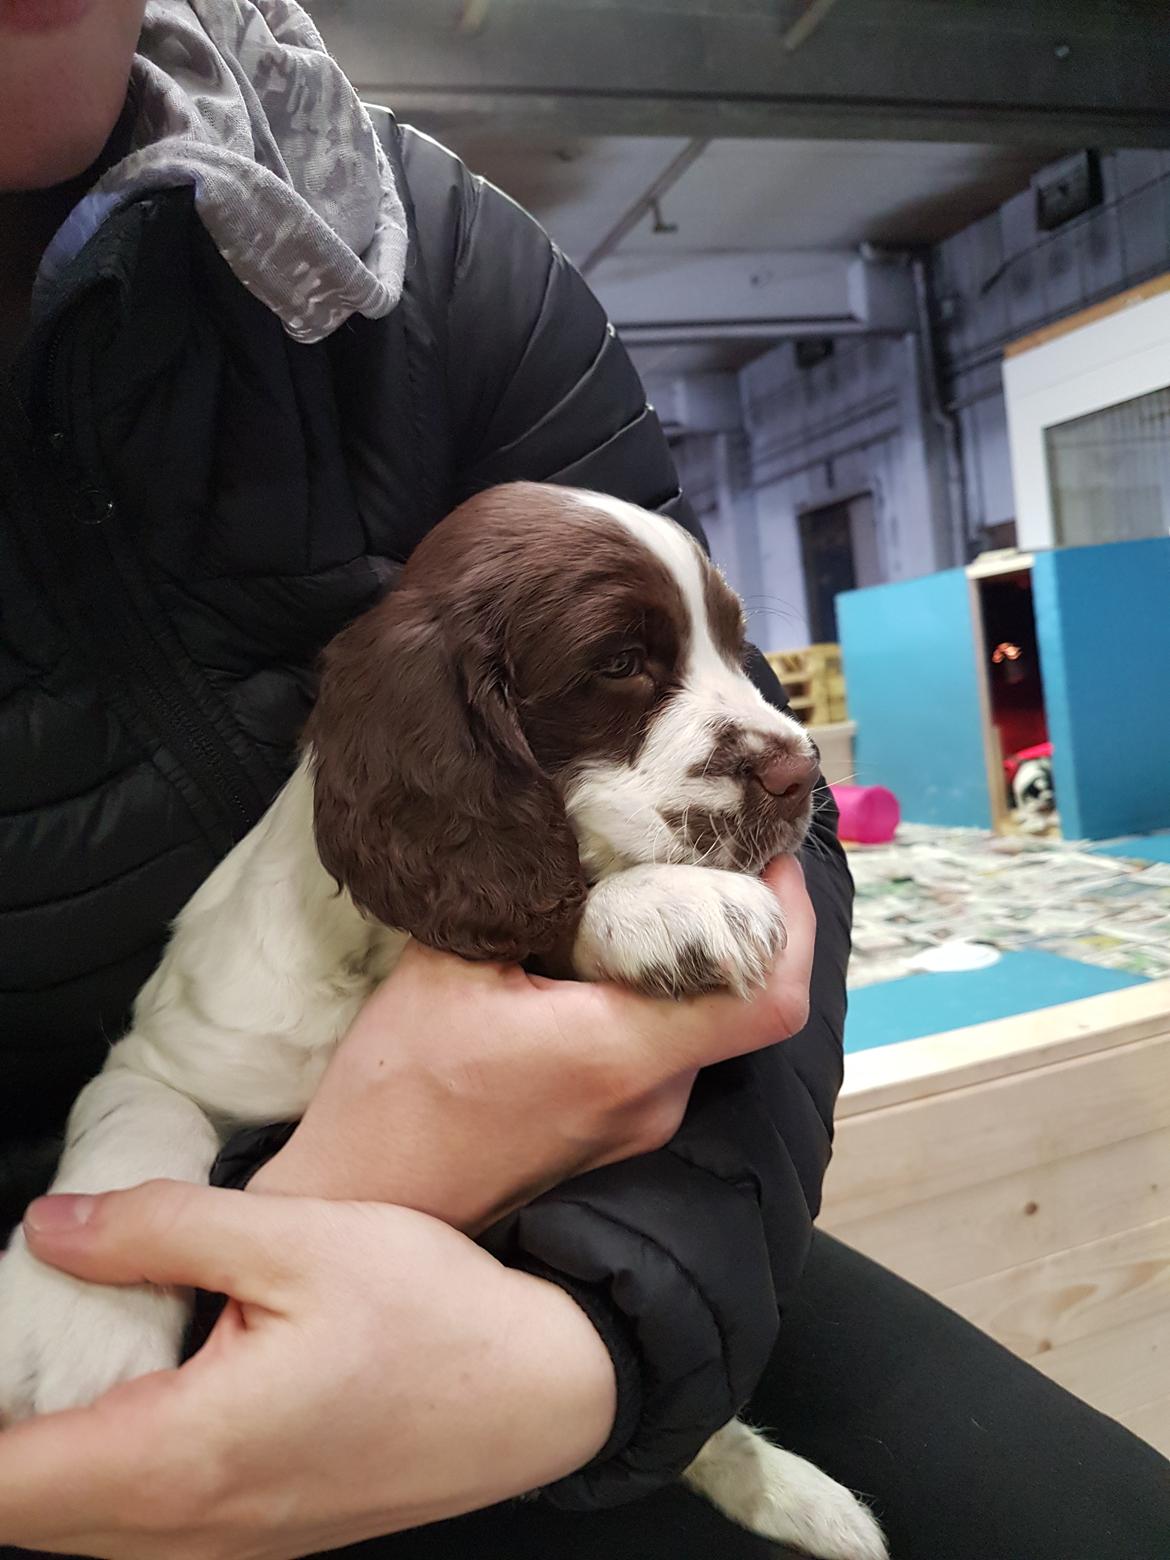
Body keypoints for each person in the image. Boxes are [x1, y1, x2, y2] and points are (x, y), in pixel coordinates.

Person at [0, 4, 1166, 1558]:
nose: (767, 740)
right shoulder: (389, 759)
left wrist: (593, 1343)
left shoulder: (434, 261)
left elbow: (754, 931)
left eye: (723, 660)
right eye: (633, 668)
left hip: (616, 1208)